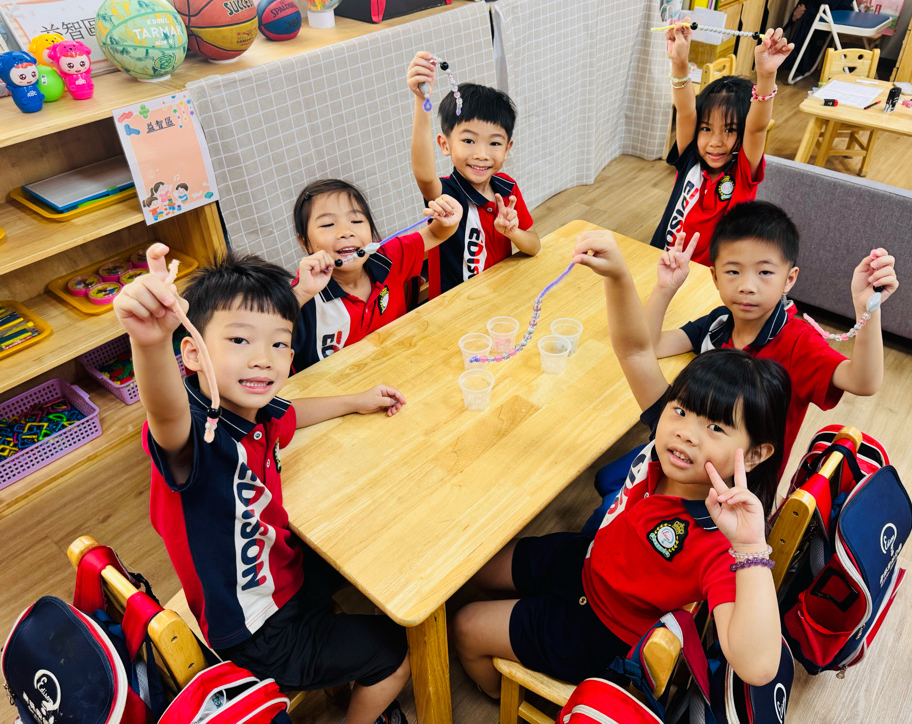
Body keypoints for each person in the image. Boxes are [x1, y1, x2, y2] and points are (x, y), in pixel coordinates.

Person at [453, 230, 788, 695]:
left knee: (466, 626)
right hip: (589, 560)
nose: (687, 432)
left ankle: (498, 695)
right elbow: (634, 349)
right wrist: (617, 275)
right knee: (474, 571)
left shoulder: (723, 540)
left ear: (754, 454)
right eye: (681, 410)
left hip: (601, 630)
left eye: (716, 427)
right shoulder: (668, 444)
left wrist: (750, 546)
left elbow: (758, 667)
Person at [114, 245, 411, 724]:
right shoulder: (196, 435)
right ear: (191, 353)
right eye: (238, 340)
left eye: (278, 346)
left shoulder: (255, 409)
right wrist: (150, 344)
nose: (262, 360)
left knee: (373, 553)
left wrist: (356, 400)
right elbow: (164, 413)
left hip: (284, 578)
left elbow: (292, 412)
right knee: (396, 653)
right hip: (256, 633)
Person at [648, 201, 898, 476]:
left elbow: (864, 382)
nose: (747, 286)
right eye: (733, 271)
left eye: (765, 272)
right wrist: (664, 288)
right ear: (715, 276)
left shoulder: (798, 341)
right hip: (688, 464)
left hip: (742, 490)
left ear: (789, 279)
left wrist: (867, 309)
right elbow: (650, 346)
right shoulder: (719, 322)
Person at [649, 21, 793, 265]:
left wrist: (767, 75)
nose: (715, 142)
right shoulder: (691, 158)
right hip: (664, 262)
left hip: (712, 278)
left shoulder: (743, 172)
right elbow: (685, 111)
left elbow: (757, 127)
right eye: (706, 129)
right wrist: (679, 61)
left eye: (730, 130)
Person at [290, 178, 463, 372]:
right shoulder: (303, 293)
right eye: (328, 224)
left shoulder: (388, 257)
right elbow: (267, 334)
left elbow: (437, 233)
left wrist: (451, 217)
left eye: (356, 221)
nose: (345, 232)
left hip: (403, 370)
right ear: (304, 243)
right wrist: (300, 294)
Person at [407, 51, 541, 297]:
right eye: (469, 140)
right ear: (445, 144)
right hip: (454, 306)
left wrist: (514, 233)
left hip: (500, 296)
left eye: (494, 143)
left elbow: (534, 246)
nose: (481, 154)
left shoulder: (507, 188)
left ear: (507, 148)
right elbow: (424, 175)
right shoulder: (446, 195)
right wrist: (421, 99)